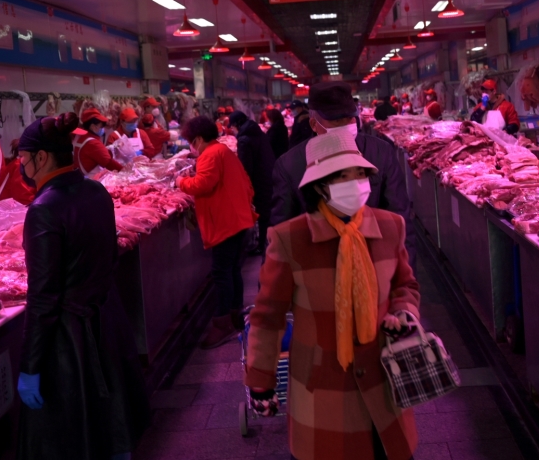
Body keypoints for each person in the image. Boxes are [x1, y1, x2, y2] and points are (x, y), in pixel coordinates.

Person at [246, 131, 420, 460]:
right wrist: (261, 381)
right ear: (320, 185)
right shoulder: (290, 239)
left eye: (360, 174)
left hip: (385, 384)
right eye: (342, 176)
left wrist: (405, 313)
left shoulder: (390, 227)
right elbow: (268, 317)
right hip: (322, 388)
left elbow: (404, 285)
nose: (356, 184)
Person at [15, 113, 149, 460]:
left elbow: (43, 298)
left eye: (22, 157)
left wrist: (30, 367)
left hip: (71, 341)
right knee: (110, 425)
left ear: (40, 158)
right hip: (107, 323)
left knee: (78, 436)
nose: (21, 165)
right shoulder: (96, 190)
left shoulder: (43, 209)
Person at [271, 81, 416, 271]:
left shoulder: (381, 153)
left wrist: (405, 280)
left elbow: (400, 220)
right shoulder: (290, 165)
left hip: (374, 267)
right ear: (314, 123)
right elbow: (279, 234)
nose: (346, 125)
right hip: (316, 272)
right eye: (336, 120)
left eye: (350, 118)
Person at [177, 116, 257, 348]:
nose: (192, 146)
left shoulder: (210, 154)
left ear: (199, 138)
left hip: (226, 221)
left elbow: (202, 185)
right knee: (232, 270)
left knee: (221, 272)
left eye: (191, 142)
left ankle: (222, 326)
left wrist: (180, 180)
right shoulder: (221, 150)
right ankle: (236, 317)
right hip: (237, 218)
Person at [229, 111, 276, 255]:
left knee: (261, 214)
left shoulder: (244, 139)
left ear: (237, 124)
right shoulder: (258, 133)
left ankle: (263, 246)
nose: (231, 129)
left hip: (258, 180)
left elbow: (245, 167)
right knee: (266, 213)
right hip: (268, 175)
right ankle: (266, 244)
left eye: (232, 126)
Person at [72, 108, 123, 176]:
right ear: (93, 126)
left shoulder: (80, 137)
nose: (103, 129)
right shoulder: (92, 143)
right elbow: (109, 163)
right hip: (91, 180)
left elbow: (97, 153)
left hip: (81, 177)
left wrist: (111, 148)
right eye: (101, 126)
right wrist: (124, 170)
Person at [0, 138, 36, 206]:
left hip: (4, 210)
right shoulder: (22, 166)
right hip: (5, 212)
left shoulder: (21, 164)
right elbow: (23, 202)